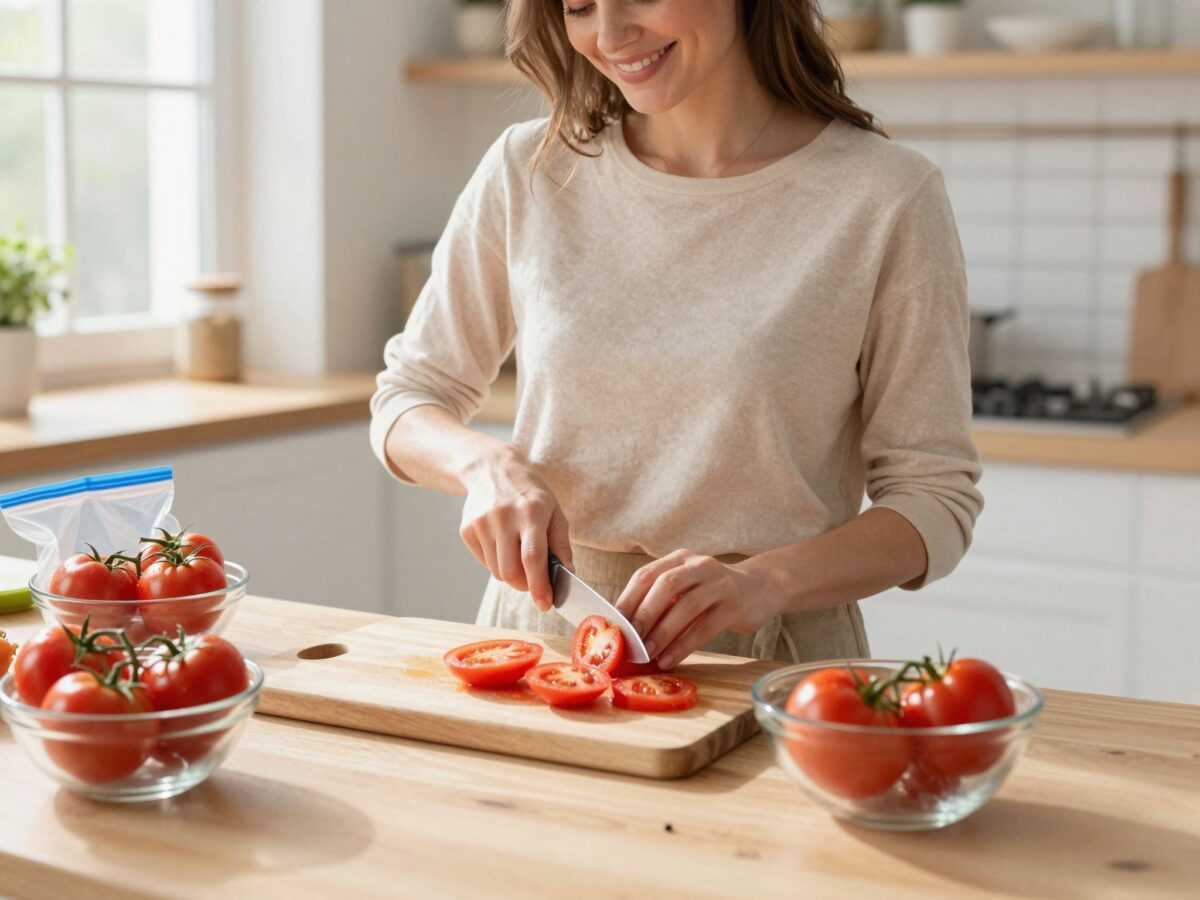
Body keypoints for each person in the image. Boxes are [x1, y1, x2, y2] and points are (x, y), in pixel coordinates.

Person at [370, 0, 982, 670]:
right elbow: (408, 397)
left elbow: (934, 499)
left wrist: (763, 583)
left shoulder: (886, 196)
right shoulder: (529, 168)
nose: (608, 35)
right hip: (544, 642)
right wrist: (484, 467)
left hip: (771, 662)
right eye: (578, 6)